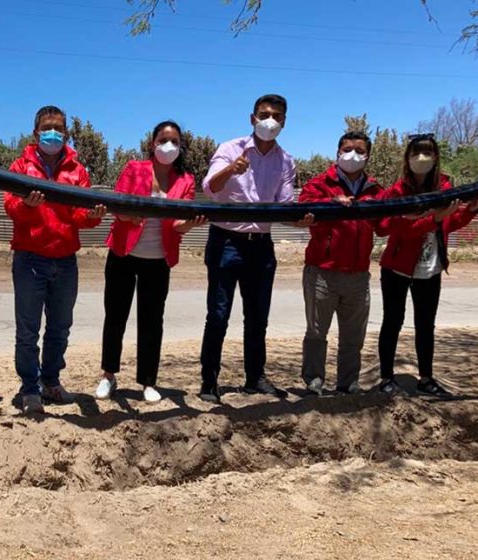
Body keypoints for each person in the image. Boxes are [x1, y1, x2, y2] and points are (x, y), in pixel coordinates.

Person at [199, 94, 309, 403]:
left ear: (284, 122)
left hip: (261, 246)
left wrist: (303, 220)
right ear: (252, 118)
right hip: (226, 241)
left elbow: (284, 206)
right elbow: (211, 188)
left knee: (258, 316)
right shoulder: (230, 149)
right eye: (264, 114)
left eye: (276, 116)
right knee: (218, 314)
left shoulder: (286, 161)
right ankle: (209, 381)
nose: (269, 121)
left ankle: (254, 377)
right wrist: (231, 170)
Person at [5, 105, 106, 414]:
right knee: (28, 330)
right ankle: (30, 388)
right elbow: (11, 208)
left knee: (60, 327)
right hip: (30, 260)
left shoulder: (77, 170)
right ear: (36, 132)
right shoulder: (20, 167)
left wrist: (92, 216)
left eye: (58, 128)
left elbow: (79, 215)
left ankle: (51, 381)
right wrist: (28, 206)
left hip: (65, 261)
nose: (53, 133)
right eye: (47, 128)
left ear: (66, 133)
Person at [97, 121, 205, 403]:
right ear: (152, 143)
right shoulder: (134, 168)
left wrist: (191, 224)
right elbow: (118, 204)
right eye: (163, 139)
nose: (168, 145)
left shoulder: (186, 180)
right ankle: (108, 375)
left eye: (174, 141)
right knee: (115, 317)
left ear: (180, 147)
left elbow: (179, 224)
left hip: (158, 259)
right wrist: (127, 216)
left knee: (152, 321)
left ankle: (148, 381)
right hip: (124, 253)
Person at [376, 133, 478, 397]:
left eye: (428, 153)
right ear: (407, 158)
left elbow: (450, 223)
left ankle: (426, 377)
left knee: (425, 324)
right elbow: (390, 229)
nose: (422, 159)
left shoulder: (446, 189)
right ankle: (386, 377)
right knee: (393, 322)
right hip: (397, 268)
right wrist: (432, 219)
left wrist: (469, 211)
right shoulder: (396, 192)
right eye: (416, 153)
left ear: (436, 157)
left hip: (430, 268)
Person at [298, 131, 384, 396]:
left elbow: (383, 226)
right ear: (337, 152)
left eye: (359, 151)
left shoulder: (375, 190)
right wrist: (330, 203)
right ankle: (313, 380)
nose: (353, 155)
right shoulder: (320, 183)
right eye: (347, 149)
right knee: (316, 331)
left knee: (353, 335)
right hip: (322, 272)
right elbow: (302, 208)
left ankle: (348, 382)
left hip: (358, 275)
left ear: (367, 156)